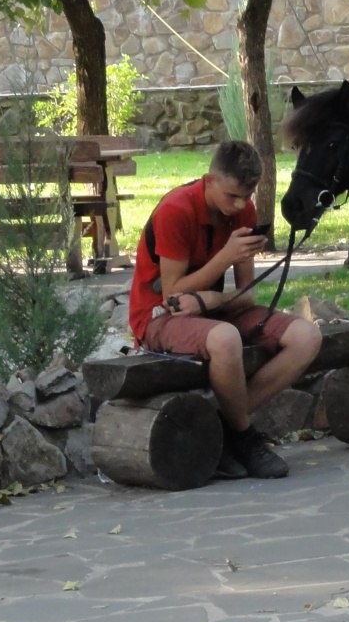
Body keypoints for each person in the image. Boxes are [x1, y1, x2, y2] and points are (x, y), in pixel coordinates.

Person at [129, 140, 322, 481]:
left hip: (213, 311)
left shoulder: (244, 213)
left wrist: (209, 301)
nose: (239, 206)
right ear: (209, 180)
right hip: (159, 316)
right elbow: (173, 294)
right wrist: (224, 260)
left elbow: (246, 294)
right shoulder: (176, 210)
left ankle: (223, 424)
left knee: (307, 336)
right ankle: (244, 437)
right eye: (232, 196)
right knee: (225, 338)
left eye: (246, 197)